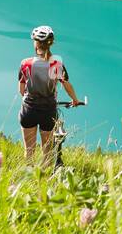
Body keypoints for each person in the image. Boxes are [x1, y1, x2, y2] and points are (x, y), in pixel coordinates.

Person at [18, 24, 80, 166]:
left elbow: (21, 90)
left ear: (36, 43)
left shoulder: (25, 63)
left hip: (28, 110)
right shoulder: (55, 64)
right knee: (47, 152)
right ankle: (44, 178)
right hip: (48, 112)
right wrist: (74, 100)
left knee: (29, 151)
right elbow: (66, 84)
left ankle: (29, 180)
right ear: (49, 44)